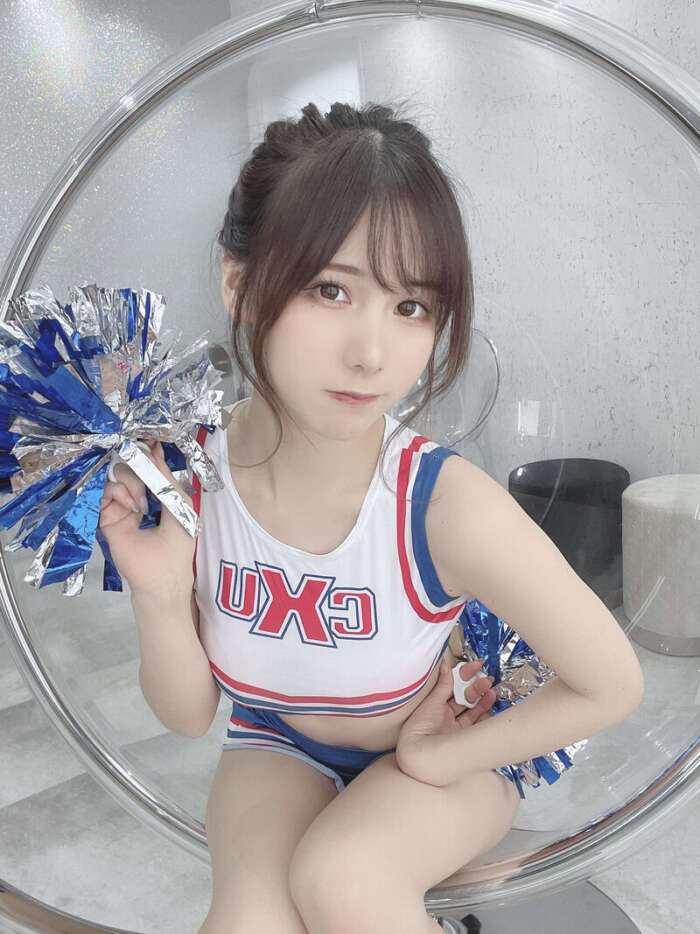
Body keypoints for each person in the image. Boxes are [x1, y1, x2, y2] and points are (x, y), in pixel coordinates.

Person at [98, 101, 645, 934]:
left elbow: (612, 683)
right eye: (331, 289)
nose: (372, 354)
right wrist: (160, 594)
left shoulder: (442, 505)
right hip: (279, 741)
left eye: (411, 307)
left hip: (445, 749)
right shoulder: (191, 476)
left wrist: (440, 753)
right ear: (239, 284)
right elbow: (187, 715)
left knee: (343, 881)